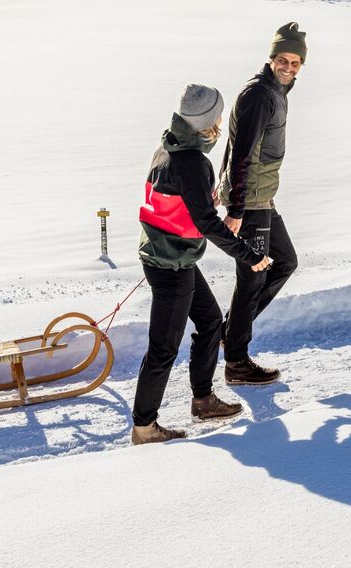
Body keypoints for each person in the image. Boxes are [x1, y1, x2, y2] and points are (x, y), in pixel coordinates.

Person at [133, 84, 272, 445]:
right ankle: (144, 426)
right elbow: (208, 223)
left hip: (171, 256)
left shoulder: (166, 148)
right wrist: (250, 256)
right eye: (218, 116)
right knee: (163, 347)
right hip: (171, 264)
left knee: (210, 321)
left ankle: (203, 400)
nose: (222, 121)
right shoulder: (192, 162)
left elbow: (178, 210)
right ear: (207, 123)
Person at [218, 22, 306, 385]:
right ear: (271, 59)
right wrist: (236, 208)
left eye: (296, 62)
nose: (288, 67)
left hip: (261, 196)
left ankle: (229, 331)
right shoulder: (259, 95)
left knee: (284, 261)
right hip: (251, 199)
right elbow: (241, 154)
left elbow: (238, 145)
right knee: (253, 276)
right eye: (282, 59)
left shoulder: (276, 91)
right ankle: (236, 360)